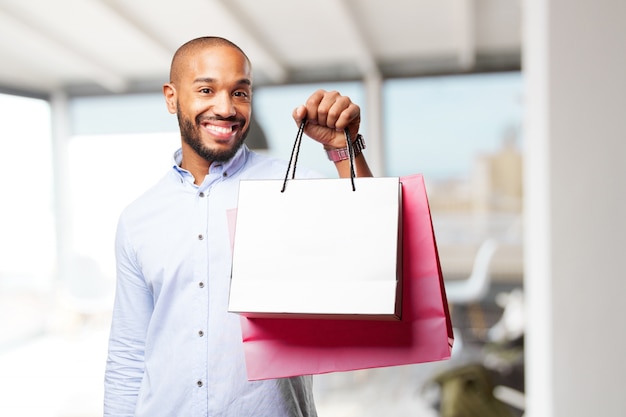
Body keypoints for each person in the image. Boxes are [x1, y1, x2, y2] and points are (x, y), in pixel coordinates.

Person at [104, 36, 372, 417]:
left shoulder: (293, 188)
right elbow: (129, 354)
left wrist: (344, 148)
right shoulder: (138, 219)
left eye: (240, 93)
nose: (226, 108)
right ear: (171, 97)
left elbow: (374, 242)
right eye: (206, 90)